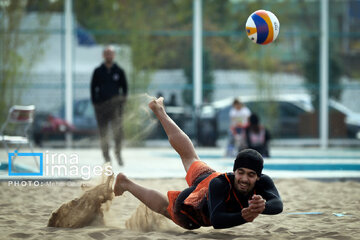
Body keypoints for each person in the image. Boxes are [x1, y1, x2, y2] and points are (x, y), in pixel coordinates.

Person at [114, 97, 283, 230]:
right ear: (234, 171)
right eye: (241, 172)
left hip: (208, 176)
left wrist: (263, 207)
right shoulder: (220, 184)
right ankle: (126, 183)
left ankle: (159, 111)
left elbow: (277, 204)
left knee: (190, 157)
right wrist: (244, 216)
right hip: (193, 205)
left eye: (251, 175)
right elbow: (217, 220)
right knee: (165, 207)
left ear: (259, 177)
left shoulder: (265, 182)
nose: (244, 179)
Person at [91, 45, 128, 166]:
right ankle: (106, 158)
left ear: (114, 55)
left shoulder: (119, 71)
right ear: (103, 55)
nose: (109, 56)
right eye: (106, 53)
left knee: (117, 133)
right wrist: (96, 103)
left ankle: (118, 155)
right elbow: (93, 88)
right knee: (103, 133)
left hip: (115, 108)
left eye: (111, 53)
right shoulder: (98, 71)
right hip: (101, 108)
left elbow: (125, 89)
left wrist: (122, 103)